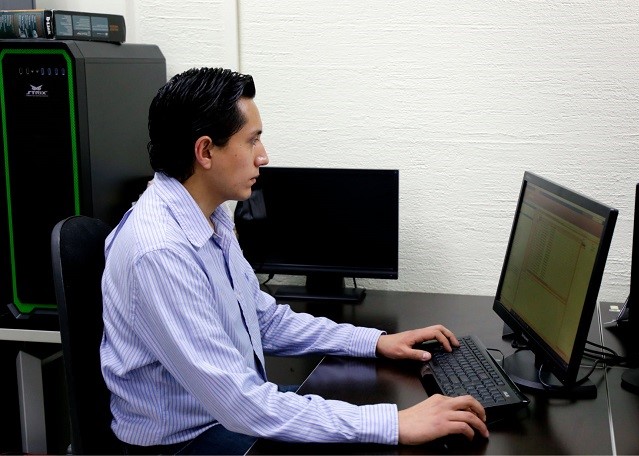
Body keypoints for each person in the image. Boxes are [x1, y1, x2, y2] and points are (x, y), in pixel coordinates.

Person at [100, 67, 489, 455]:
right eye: (252, 140)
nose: (263, 156)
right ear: (205, 152)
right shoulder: (160, 252)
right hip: (187, 441)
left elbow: (264, 319)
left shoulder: (210, 214)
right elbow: (241, 404)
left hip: (227, 412)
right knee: (389, 436)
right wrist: (394, 423)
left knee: (376, 409)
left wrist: (375, 342)